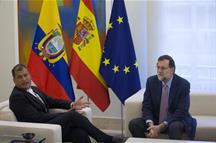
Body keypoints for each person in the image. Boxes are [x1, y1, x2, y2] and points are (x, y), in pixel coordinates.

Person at [9, 64, 126, 143]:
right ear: (14, 80)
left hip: (50, 124)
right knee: (72, 116)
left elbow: (51, 101)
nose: (24, 79)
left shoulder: (34, 89)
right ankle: (106, 139)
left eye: (26, 75)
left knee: (80, 134)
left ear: (29, 75)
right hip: (40, 128)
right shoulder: (17, 97)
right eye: (20, 77)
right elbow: (36, 118)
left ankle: (105, 139)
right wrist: (65, 114)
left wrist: (71, 104)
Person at [129, 55, 197, 140]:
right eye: (158, 67)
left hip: (174, 120)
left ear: (172, 70)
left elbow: (181, 111)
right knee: (134, 124)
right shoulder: (151, 81)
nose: (159, 71)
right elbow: (146, 106)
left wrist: (161, 126)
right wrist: (151, 125)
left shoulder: (183, 84)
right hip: (155, 120)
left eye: (163, 68)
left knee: (175, 127)